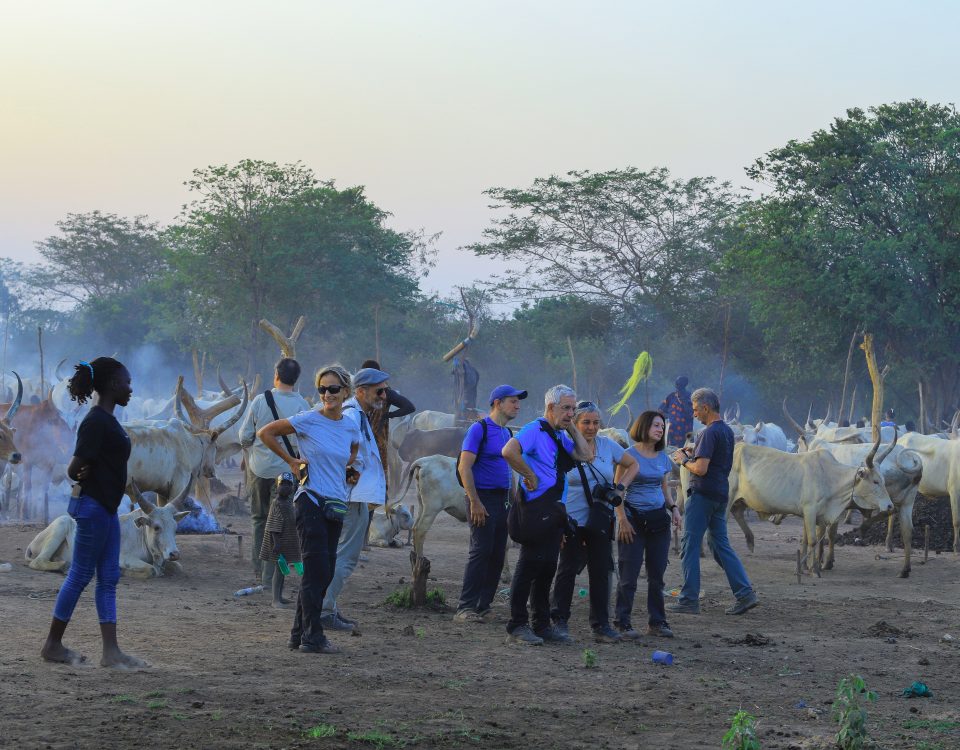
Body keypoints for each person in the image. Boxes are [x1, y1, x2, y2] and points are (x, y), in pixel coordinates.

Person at [40, 357, 145, 668]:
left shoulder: (106, 419)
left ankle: (111, 652)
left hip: (107, 508)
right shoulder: (96, 421)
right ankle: (52, 644)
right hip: (94, 507)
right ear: (113, 385)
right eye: (127, 382)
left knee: (108, 577)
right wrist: (86, 474)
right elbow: (74, 468)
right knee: (81, 575)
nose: (130, 388)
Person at [258, 364, 361, 654]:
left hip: (335, 505)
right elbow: (266, 433)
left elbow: (353, 449)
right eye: (322, 389)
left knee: (324, 572)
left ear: (345, 392)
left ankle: (298, 634)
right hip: (311, 500)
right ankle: (312, 636)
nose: (327, 394)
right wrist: (291, 461)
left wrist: (347, 468)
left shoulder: (350, 424)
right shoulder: (308, 420)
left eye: (333, 389)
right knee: (317, 571)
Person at [501, 384, 593, 645]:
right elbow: (508, 451)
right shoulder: (535, 429)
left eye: (573, 408)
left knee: (547, 569)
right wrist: (528, 475)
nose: (570, 413)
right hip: (534, 509)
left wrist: (571, 424)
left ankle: (540, 625)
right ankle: (517, 625)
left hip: (554, 512)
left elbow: (586, 455)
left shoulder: (558, 434)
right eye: (566, 408)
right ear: (550, 407)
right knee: (529, 567)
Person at [550, 402, 638, 643]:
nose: (591, 428)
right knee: (567, 569)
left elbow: (633, 465)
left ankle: (601, 625)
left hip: (600, 517)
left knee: (601, 570)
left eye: (596, 422)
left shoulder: (608, 445)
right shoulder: (565, 446)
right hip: (570, 518)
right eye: (586, 422)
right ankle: (559, 621)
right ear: (575, 425)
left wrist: (620, 489)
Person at [669, 388, 758, 616]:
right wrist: (694, 452)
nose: (695, 414)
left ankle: (689, 599)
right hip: (720, 495)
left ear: (706, 408)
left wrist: (683, 460)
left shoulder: (708, 433)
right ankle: (745, 593)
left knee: (690, 546)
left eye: (697, 409)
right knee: (720, 546)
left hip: (702, 495)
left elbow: (700, 468)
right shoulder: (727, 431)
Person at [320, 367, 390, 631]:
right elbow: (344, 455)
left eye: (385, 390)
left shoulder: (359, 415)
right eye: (379, 391)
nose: (384, 396)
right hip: (352, 498)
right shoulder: (351, 415)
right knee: (345, 558)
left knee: (339, 555)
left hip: (356, 496)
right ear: (360, 391)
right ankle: (324, 610)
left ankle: (329, 607)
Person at [453, 384, 527, 623]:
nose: (517, 405)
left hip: (503, 500)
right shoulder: (479, 429)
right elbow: (464, 467)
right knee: (481, 551)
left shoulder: (507, 434)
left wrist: (515, 500)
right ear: (497, 403)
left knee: (497, 553)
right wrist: (474, 501)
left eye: (518, 401)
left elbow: (509, 470)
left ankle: (483, 605)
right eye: (513, 401)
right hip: (482, 498)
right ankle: (465, 607)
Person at [239, 358, 310, 589]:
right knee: (281, 525)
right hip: (287, 475)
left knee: (259, 520)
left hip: (259, 471)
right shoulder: (302, 405)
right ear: (296, 379)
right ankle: (272, 576)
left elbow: (244, 437)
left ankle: (259, 571)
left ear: (275, 375)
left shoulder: (260, 401)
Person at [614, 410, 681, 639]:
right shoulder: (627, 455)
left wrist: (673, 508)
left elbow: (664, 488)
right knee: (629, 575)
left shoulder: (663, 456)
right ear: (643, 427)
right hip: (632, 521)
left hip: (658, 521)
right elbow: (617, 492)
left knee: (657, 575)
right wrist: (622, 519)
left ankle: (657, 622)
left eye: (662, 426)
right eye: (655, 425)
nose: (660, 429)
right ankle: (623, 623)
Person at [359, 358, 415, 548]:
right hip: (378, 445)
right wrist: (388, 415)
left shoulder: (360, 392)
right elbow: (409, 407)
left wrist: (388, 415)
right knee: (372, 492)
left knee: (358, 490)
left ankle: (360, 539)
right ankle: (364, 539)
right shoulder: (386, 393)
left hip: (360, 446)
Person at [258, 472, 301, 608]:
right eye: (282, 484)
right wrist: (276, 543)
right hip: (278, 543)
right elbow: (273, 524)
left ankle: (279, 596)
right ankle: (275, 600)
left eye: (289, 484)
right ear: (277, 486)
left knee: (283, 570)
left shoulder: (288, 503)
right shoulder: (277, 503)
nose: (286, 487)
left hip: (286, 542)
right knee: (279, 569)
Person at [659, 376, 693, 448]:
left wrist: (683, 401)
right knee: (671, 453)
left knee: (685, 454)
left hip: (686, 433)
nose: (677, 385)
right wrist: (670, 417)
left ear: (685, 384)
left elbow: (692, 414)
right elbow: (660, 410)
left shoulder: (691, 397)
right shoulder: (671, 396)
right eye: (677, 383)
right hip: (671, 433)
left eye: (679, 383)